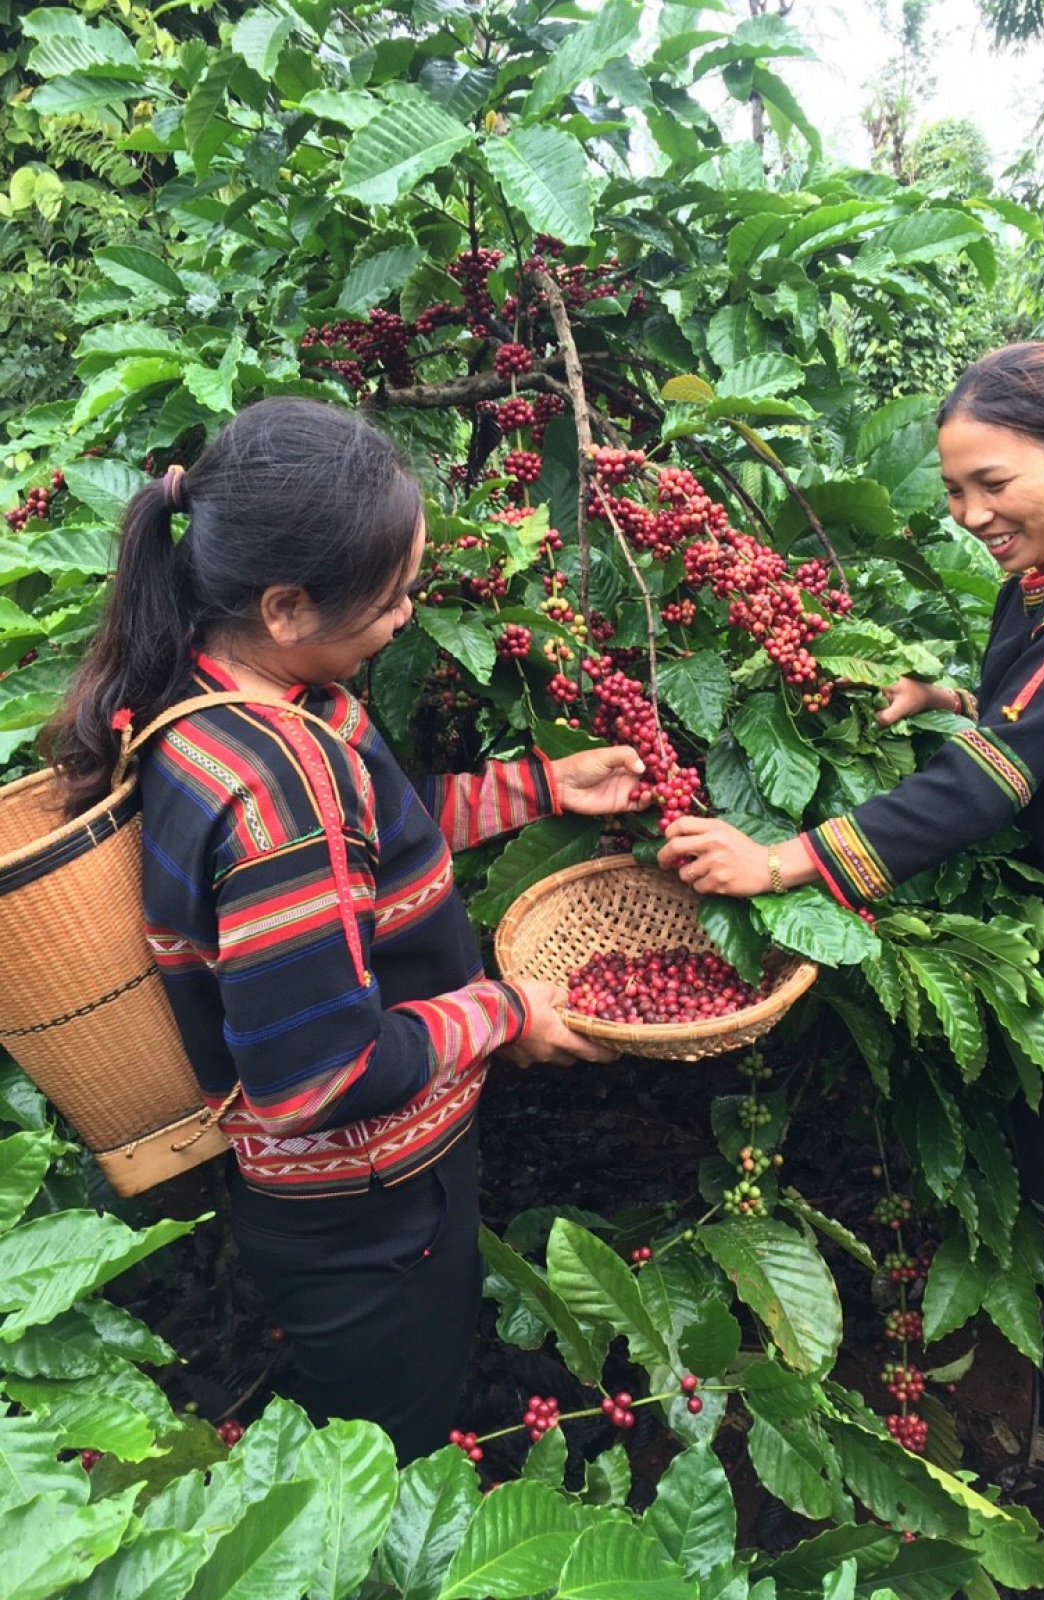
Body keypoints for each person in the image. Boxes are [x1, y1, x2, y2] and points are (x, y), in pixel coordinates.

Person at [658, 343, 1044, 1592]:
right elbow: (1034, 716)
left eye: (988, 482)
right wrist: (943, 688)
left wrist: (786, 858)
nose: (968, 516)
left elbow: (996, 781)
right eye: (954, 492)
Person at [45, 397, 645, 1463]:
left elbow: (377, 826)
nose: (408, 615)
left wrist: (542, 785)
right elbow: (315, 1078)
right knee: (379, 1464)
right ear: (285, 606)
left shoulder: (226, 689)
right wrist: (505, 1013)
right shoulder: (279, 792)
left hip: (345, 1198)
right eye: (392, 596)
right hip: (365, 1215)